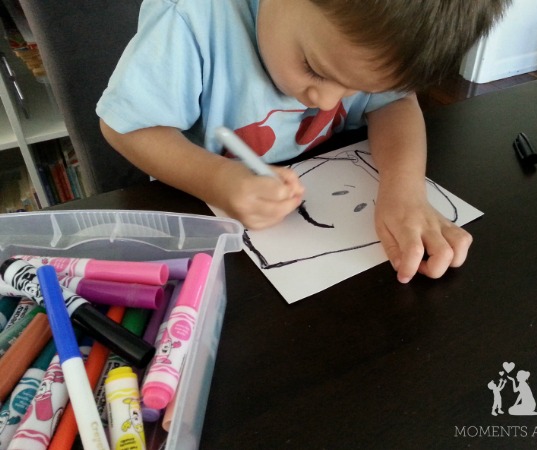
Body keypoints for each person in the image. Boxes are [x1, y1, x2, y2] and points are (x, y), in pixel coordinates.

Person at [97, 0, 511, 283]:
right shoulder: (190, 18)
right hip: (203, 230)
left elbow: (395, 106)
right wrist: (218, 180)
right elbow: (125, 127)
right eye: (315, 69)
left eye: (355, 88)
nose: (327, 100)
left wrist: (405, 191)